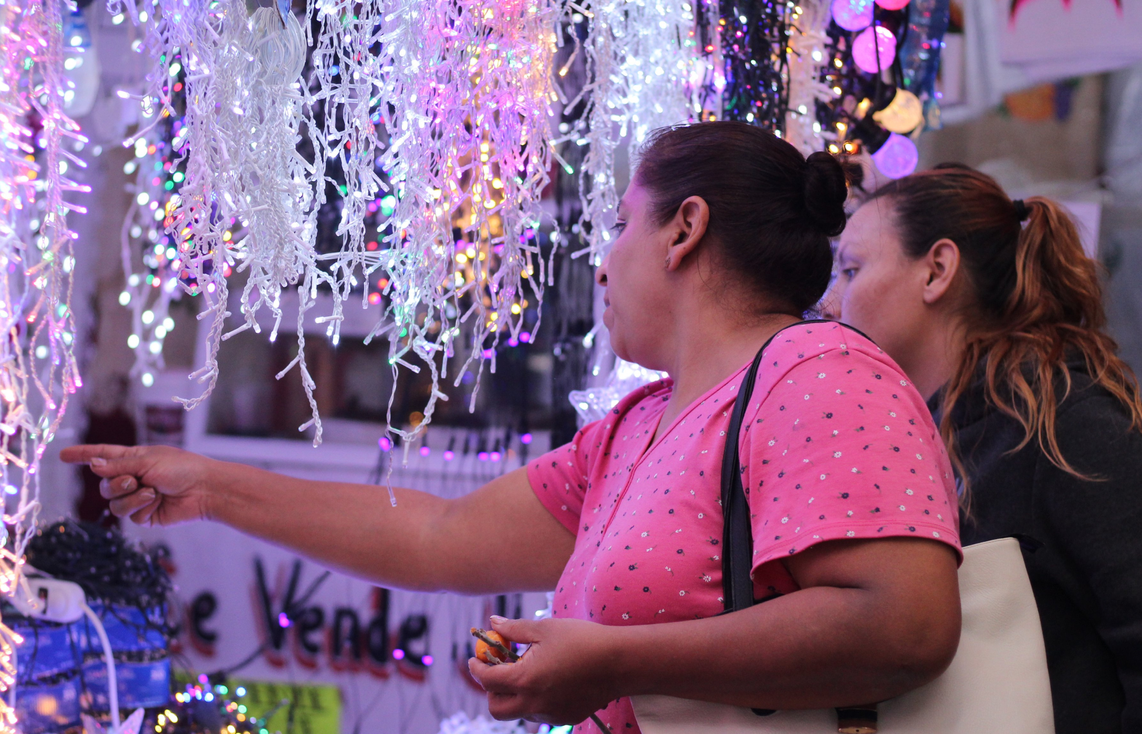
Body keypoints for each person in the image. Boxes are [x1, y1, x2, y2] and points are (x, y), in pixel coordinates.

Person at [63, 122, 963, 734]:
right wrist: (212, 486)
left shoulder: (822, 377)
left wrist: (611, 660)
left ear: (685, 229)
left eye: (618, 228)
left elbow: (906, 624)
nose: (602, 264)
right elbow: (438, 537)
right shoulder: (641, 426)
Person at [823, 163, 1142, 734]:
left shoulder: (1064, 425)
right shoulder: (930, 431)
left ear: (937, 270)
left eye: (851, 269)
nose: (829, 302)